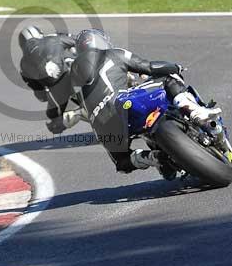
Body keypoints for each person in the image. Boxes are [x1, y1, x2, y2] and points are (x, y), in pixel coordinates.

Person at [69, 29, 222, 176]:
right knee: (168, 77)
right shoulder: (112, 53)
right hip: (123, 102)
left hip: (101, 125)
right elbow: (149, 66)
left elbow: (80, 103)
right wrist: (175, 67)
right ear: (102, 41)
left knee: (122, 162)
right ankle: (196, 112)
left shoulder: (73, 78)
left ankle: (151, 158)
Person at [18, 26, 86, 134]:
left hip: (58, 87)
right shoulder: (53, 38)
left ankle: (73, 116)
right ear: (40, 35)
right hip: (79, 68)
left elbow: (41, 96)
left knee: (54, 120)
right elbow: (81, 41)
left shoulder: (23, 66)